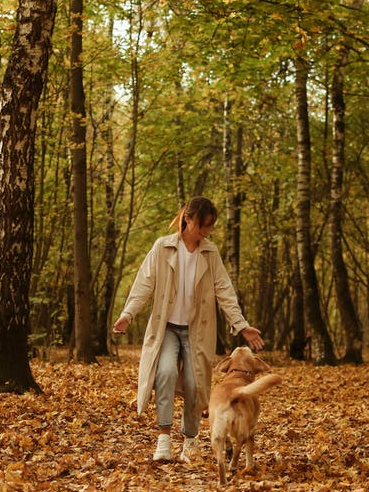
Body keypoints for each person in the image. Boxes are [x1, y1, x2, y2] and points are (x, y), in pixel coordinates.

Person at [113, 196, 265, 462]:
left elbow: (224, 291)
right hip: (167, 327)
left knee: (196, 384)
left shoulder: (210, 252)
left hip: (197, 331)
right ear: (188, 219)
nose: (206, 231)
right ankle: (163, 440)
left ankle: (190, 439)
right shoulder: (163, 247)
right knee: (166, 373)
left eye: (210, 227)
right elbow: (143, 284)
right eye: (203, 225)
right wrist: (128, 314)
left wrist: (242, 326)